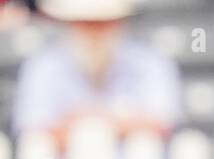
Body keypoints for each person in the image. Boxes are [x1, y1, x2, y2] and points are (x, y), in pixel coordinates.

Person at [11, 0, 181, 148]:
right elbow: (33, 134)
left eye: (103, 22)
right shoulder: (43, 66)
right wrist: (119, 123)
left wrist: (86, 120)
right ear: (70, 24)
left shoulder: (150, 62)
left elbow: (161, 126)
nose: (94, 31)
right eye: (85, 22)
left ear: (119, 22)